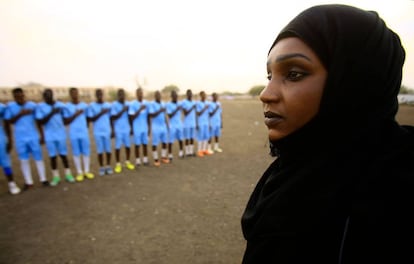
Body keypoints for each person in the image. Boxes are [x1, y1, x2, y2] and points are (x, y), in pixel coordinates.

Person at [241, 4, 414, 263]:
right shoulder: (292, 174)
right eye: (269, 75)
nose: (266, 94)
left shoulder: (390, 198)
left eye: (294, 74)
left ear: (354, 82)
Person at [4, 88, 49, 190]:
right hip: (20, 138)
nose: (20, 97)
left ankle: (43, 179)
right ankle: (28, 182)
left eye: (21, 95)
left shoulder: (32, 105)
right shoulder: (10, 107)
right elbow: (9, 122)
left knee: (38, 158)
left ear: (24, 95)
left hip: (33, 136)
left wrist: (42, 135)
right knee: (24, 160)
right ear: (14, 97)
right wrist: (21, 114)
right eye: (17, 96)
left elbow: (38, 121)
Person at [36, 88, 75, 186]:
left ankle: (68, 174)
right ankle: (56, 177)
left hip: (61, 134)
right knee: (52, 157)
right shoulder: (41, 107)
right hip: (49, 136)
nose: (48, 97)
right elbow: (40, 121)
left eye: (49, 95)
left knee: (63, 155)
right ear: (43, 97)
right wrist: (52, 112)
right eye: (46, 95)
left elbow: (66, 120)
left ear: (52, 95)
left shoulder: (60, 105)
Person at [63, 87, 94, 182]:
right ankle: (79, 172)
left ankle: (87, 171)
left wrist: (85, 127)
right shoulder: (67, 106)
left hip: (83, 132)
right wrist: (75, 114)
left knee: (86, 152)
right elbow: (66, 121)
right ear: (70, 95)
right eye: (72, 93)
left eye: (76, 93)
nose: (75, 95)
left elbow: (88, 118)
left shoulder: (84, 105)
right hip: (73, 133)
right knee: (76, 153)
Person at [87, 88, 113, 176]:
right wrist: (101, 113)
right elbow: (91, 119)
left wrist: (112, 130)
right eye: (98, 94)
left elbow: (111, 119)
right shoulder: (92, 106)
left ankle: (108, 166)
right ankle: (101, 167)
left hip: (107, 131)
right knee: (100, 150)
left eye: (101, 94)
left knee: (108, 150)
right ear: (96, 95)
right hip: (97, 132)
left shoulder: (108, 105)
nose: (100, 96)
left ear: (103, 95)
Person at [110, 88, 135, 173]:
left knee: (128, 146)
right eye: (120, 95)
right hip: (118, 129)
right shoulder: (114, 105)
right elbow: (113, 117)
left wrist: (131, 128)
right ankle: (118, 164)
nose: (122, 96)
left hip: (126, 128)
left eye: (123, 94)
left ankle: (127, 162)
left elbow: (130, 117)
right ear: (118, 96)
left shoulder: (128, 104)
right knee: (117, 147)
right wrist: (123, 110)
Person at [0, 102, 21, 194]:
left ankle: (12, 184)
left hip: (0, 140)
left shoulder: (2, 107)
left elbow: (7, 123)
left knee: (6, 163)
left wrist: (9, 139)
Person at [128, 87, 150, 167]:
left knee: (145, 144)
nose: (140, 95)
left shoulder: (146, 103)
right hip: (136, 128)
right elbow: (131, 117)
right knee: (137, 145)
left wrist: (149, 128)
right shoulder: (133, 104)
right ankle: (137, 161)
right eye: (139, 93)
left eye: (141, 93)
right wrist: (140, 109)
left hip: (144, 127)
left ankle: (145, 160)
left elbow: (148, 117)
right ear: (136, 94)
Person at [148, 90, 170, 166]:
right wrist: (159, 110)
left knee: (164, 142)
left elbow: (165, 115)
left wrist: (167, 125)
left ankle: (163, 157)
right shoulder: (152, 104)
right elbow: (151, 115)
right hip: (156, 127)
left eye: (159, 95)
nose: (158, 96)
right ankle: (156, 159)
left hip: (163, 126)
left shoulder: (163, 104)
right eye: (157, 95)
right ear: (155, 96)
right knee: (155, 144)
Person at [166, 90, 184, 161]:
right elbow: (169, 115)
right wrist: (176, 109)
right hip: (172, 125)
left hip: (179, 124)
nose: (175, 97)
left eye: (176, 96)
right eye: (174, 96)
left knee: (180, 139)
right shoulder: (169, 105)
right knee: (170, 141)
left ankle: (181, 152)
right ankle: (170, 155)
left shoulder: (179, 104)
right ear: (171, 97)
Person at [195, 91, 212, 157]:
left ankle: (204, 150)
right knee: (200, 136)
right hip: (200, 122)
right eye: (203, 95)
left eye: (205, 95)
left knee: (206, 136)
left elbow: (209, 114)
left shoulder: (207, 103)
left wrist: (210, 123)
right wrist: (205, 108)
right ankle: (199, 151)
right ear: (200, 96)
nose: (204, 96)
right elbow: (198, 113)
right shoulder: (198, 103)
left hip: (206, 122)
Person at [181, 89, 196, 157]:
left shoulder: (194, 102)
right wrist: (192, 107)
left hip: (193, 123)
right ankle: (187, 152)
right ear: (187, 95)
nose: (190, 95)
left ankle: (191, 151)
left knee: (192, 138)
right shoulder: (184, 102)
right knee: (187, 138)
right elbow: (185, 113)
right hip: (187, 123)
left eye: (191, 94)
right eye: (189, 94)